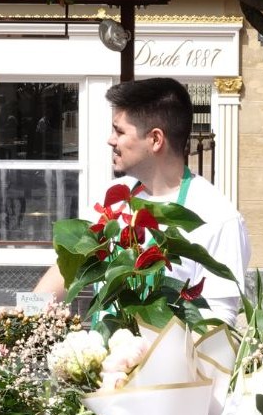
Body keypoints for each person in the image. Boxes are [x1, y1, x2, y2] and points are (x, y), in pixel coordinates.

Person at [34, 77, 250, 324]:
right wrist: (18, 321)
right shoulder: (114, 198)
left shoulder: (217, 218)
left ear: (155, 139)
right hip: (104, 358)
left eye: (119, 131)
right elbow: (68, 268)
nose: (110, 140)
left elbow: (217, 322)